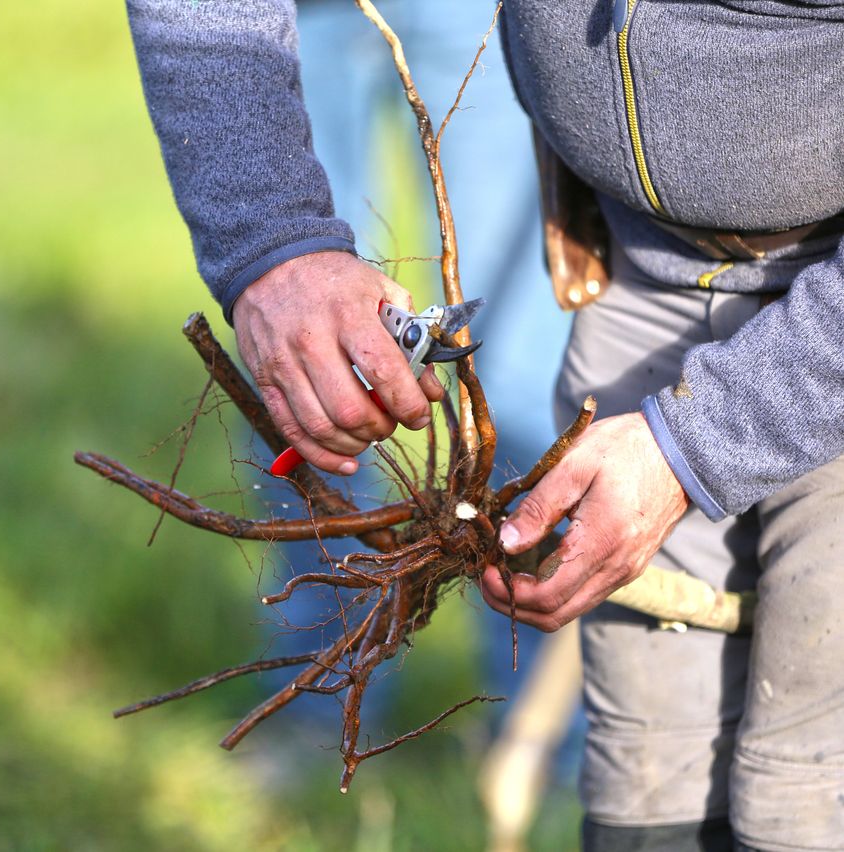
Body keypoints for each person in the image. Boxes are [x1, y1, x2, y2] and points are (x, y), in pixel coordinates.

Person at [127, 2, 844, 849]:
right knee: (647, 796)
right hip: (638, 275)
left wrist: (699, 442)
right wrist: (271, 242)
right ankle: (336, 726)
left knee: (804, 800)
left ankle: (532, 736)